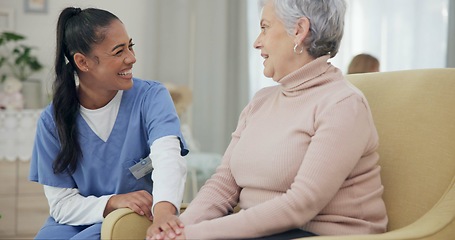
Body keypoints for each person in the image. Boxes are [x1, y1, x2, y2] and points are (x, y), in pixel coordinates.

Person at [147, 0, 388, 239]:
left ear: (299, 31)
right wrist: (176, 231)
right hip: (264, 232)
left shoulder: (342, 104)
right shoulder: (261, 101)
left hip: (322, 234)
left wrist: (193, 235)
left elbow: (300, 205)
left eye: (265, 27)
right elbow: (223, 184)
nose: (256, 42)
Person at [28, 7, 188, 239]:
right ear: (83, 62)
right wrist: (113, 201)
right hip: (74, 221)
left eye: (130, 46)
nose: (132, 58)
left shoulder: (151, 98)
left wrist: (164, 212)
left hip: (133, 217)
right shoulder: (52, 121)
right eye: (118, 51)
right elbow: (62, 206)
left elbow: (168, 157)